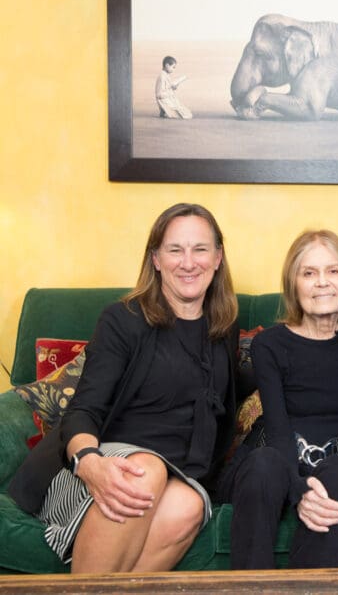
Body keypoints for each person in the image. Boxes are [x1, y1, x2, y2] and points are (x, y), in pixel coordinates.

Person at [8, 203, 244, 573]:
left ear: (217, 258)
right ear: (155, 259)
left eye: (200, 249)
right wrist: (89, 463)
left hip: (174, 476)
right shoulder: (124, 320)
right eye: (175, 250)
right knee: (144, 472)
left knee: (190, 504)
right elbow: (83, 409)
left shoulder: (223, 327)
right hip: (96, 467)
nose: (188, 262)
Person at [218, 230, 338, 569]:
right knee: (266, 464)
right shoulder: (270, 344)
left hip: (336, 460)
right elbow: (279, 428)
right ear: (293, 285)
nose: (322, 283)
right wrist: (299, 491)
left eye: (333, 271)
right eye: (309, 273)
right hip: (273, 457)